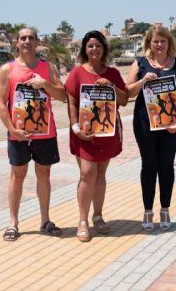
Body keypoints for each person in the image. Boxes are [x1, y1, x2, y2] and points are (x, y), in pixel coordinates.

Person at [0, 27, 66, 241]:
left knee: (44, 175)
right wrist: (12, 130)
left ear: (37, 43)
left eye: (31, 38)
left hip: (45, 132)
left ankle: (45, 220)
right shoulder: (7, 69)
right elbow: (0, 103)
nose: (27, 41)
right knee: (18, 176)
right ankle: (13, 223)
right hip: (18, 132)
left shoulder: (49, 67)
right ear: (17, 43)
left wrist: (45, 84)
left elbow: (63, 95)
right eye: (23, 38)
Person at [126, 25, 176, 232]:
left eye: (163, 41)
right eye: (155, 41)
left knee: (166, 166)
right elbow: (128, 92)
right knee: (148, 166)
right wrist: (143, 80)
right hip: (145, 122)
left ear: (169, 43)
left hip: (171, 124)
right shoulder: (141, 63)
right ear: (149, 44)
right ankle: (147, 211)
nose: (159, 45)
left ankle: (165, 209)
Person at [65, 30, 128, 242]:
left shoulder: (113, 74)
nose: (94, 49)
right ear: (85, 49)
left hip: (106, 132)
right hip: (83, 134)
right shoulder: (76, 73)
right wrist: (75, 128)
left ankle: (98, 216)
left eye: (98, 46)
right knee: (86, 173)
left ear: (104, 49)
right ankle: (82, 220)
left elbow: (124, 99)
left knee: (100, 174)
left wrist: (111, 86)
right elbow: (72, 102)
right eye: (90, 45)